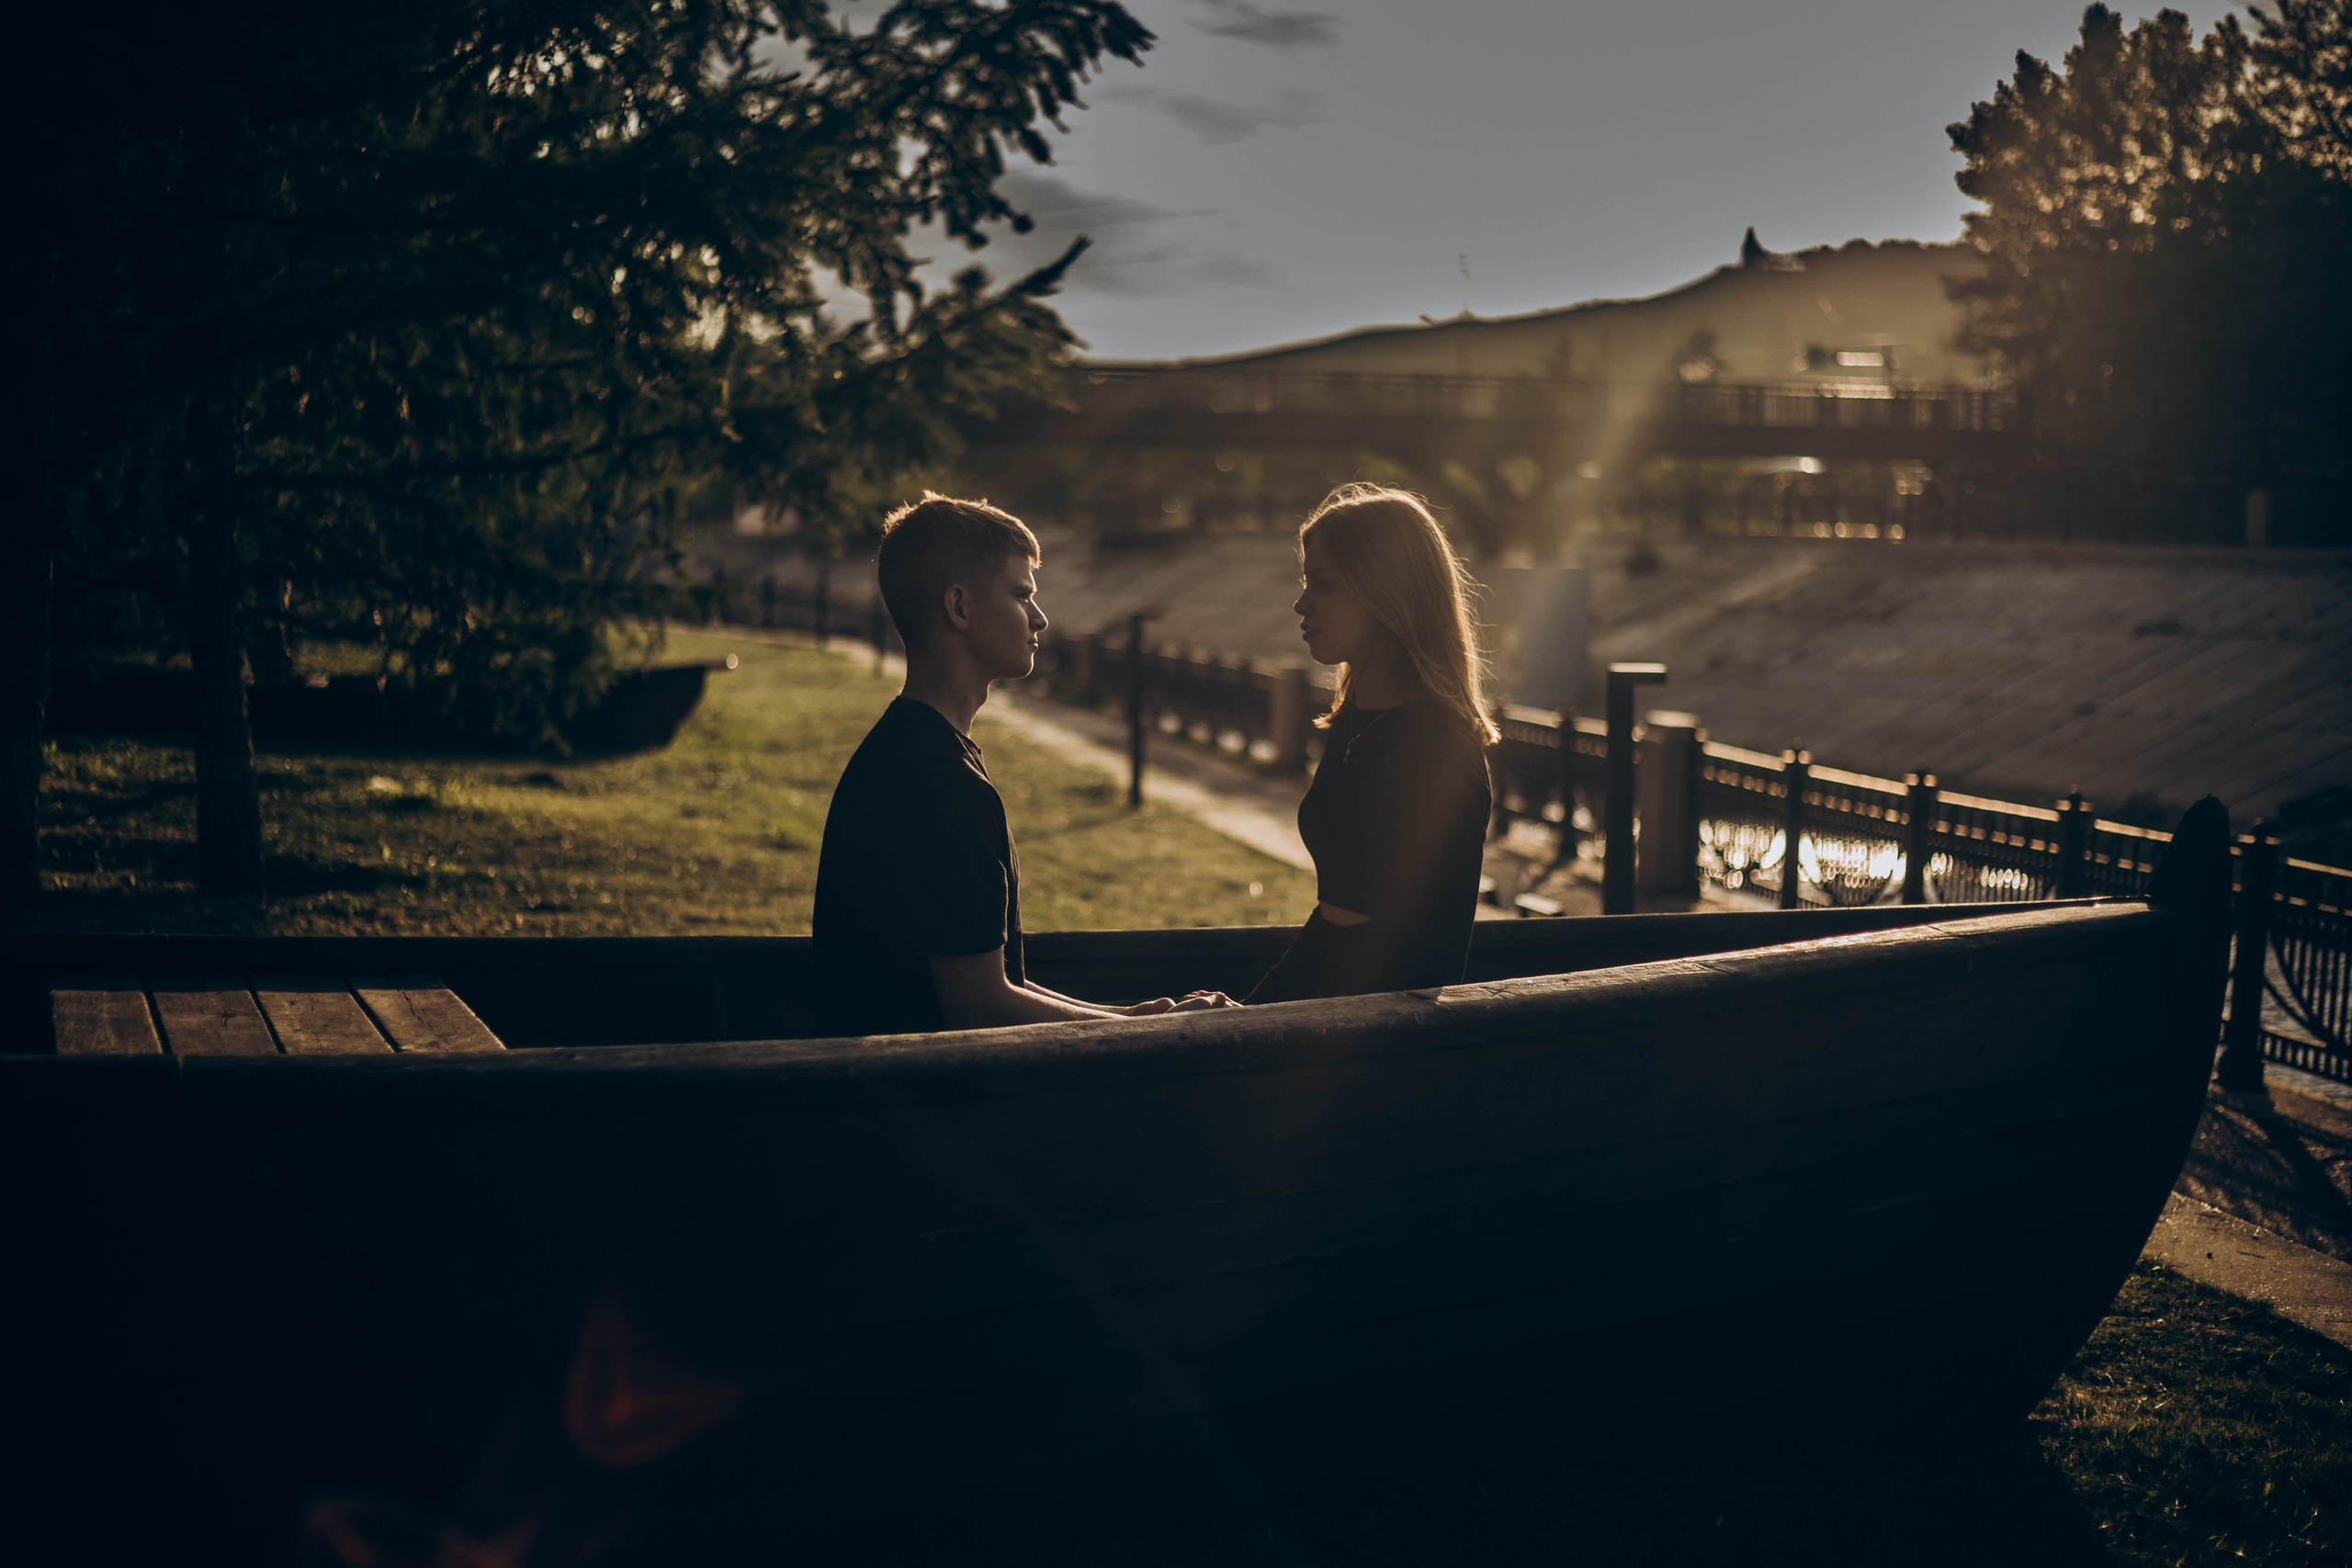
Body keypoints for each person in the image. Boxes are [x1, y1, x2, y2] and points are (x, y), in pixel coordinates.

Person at [814, 493, 1229, 1035]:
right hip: (921, 1102)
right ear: (958, 607)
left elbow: (995, 980)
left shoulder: (908, 750)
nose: (1041, 617)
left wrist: (1134, 1016)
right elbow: (980, 1006)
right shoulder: (939, 782)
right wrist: (1151, 1032)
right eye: (1020, 595)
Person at [1250, 485, 1497, 1003]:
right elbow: (1335, 923)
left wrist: (1249, 1029)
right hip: (1339, 1026)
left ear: (1386, 591)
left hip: (1388, 1047)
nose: (1301, 604)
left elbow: (1387, 954)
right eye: (1304, 582)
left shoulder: (1435, 749)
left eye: (1323, 584)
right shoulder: (1357, 724)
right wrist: (1241, 1015)